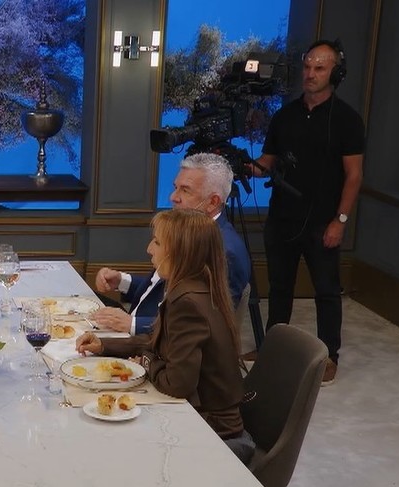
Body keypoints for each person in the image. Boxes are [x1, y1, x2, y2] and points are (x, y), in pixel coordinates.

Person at [76, 211, 254, 463]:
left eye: (157, 242)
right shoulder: (197, 287)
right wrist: (105, 346)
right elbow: (158, 339)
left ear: (180, 252)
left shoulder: (187, 301)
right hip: (215, 423)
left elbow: (177, 384)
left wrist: (146, 362)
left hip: (213, 436)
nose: (149, 249)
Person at [249, 39, 365, 385]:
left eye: (319, 68)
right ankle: (272, 347)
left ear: (336, 74)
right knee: (279, 288)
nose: (310, 74)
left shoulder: (347, 120)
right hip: (282, 217)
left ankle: (329, 356)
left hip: (323, 221)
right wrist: (240, 163)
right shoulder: (285, 116)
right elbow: (266, 162)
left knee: (326, 291)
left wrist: (340, 221)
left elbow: (354, 176)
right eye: (307, 67)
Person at [92, 153, 252, 335]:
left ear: (212, 202)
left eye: (185, 190)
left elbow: (202, 324)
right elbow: (161, 289)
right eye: (176, 188)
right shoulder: (187, 231)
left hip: (158, 345)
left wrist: (132, 325)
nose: (173, 197)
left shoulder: (224, 252)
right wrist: (121, 281)